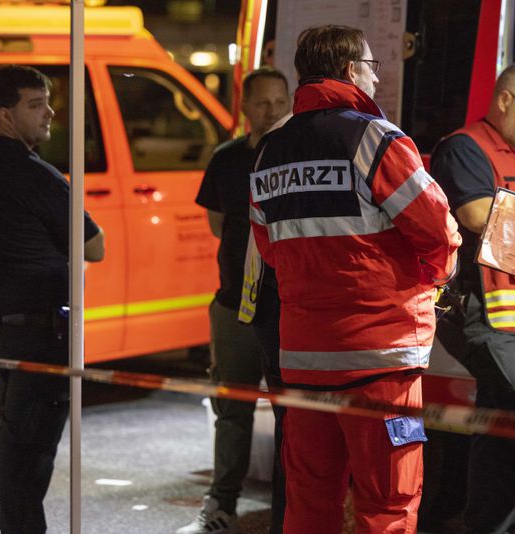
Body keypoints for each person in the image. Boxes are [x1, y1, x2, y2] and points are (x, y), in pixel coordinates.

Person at [249, 24, 461, 533]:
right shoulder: (376, 140)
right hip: (381, 360)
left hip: (303, 362)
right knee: (387, 504)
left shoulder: (269, 150)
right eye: (372, 67)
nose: (375, 78)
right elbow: (438, 231)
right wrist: (431, 283)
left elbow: (270, 252)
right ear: (350, 72)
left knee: (309, 504)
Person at [0, 65, 104, 534]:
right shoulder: (35, 174)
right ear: (5, 114)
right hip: (41, 338)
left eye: (48, 102)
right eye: (35, 105)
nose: (50, 113)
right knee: (29, 460)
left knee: (17, 443)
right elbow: (95, 245)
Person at [430, 61, 515, 534]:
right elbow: (474, 214)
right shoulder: (463, 148)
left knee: (498, 427)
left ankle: (490, 527)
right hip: (476, 310)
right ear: (504, 99)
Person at [177, 67, 291, 534]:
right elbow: (219, 225)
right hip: (234, 305)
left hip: (286, 307)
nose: (272, 111)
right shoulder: (226, 159)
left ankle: (289, 513)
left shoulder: (296, 157)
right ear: (245, 107)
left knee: (293, 417)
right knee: (233, 411)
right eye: (263, 103)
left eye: (280, 101)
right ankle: (222, 505)